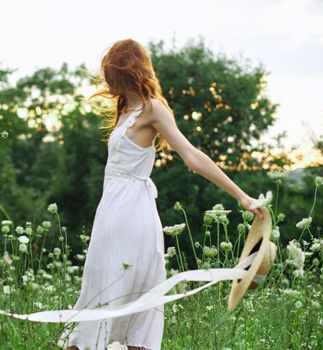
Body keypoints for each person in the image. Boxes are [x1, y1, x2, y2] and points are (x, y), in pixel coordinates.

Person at [58, 39, 263, 350]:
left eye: (110, 74)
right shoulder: (125, 109)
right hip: (110, 211)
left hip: (132, 211)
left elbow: (193, 157)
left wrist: (242, 197)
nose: (106, 81)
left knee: (132, 294)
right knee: (99, 289)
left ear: (125, 72)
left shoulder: (153, 108)